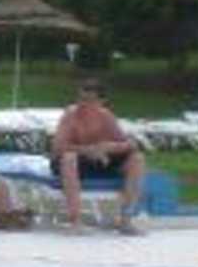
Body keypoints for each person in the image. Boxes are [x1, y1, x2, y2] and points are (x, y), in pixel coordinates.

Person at [51, 77, 147, 231]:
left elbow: (131, 144)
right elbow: (58, 148)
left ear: (101, 102)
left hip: (99, 161)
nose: (83, 104)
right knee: (69, 158)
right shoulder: (70, 115)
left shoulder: (106, 117)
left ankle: (126, 219)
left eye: (89, 100)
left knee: (137, 159)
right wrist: (89, 150)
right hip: (71, 161)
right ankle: (75, 220)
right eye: (81, 99)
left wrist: (108, 148)